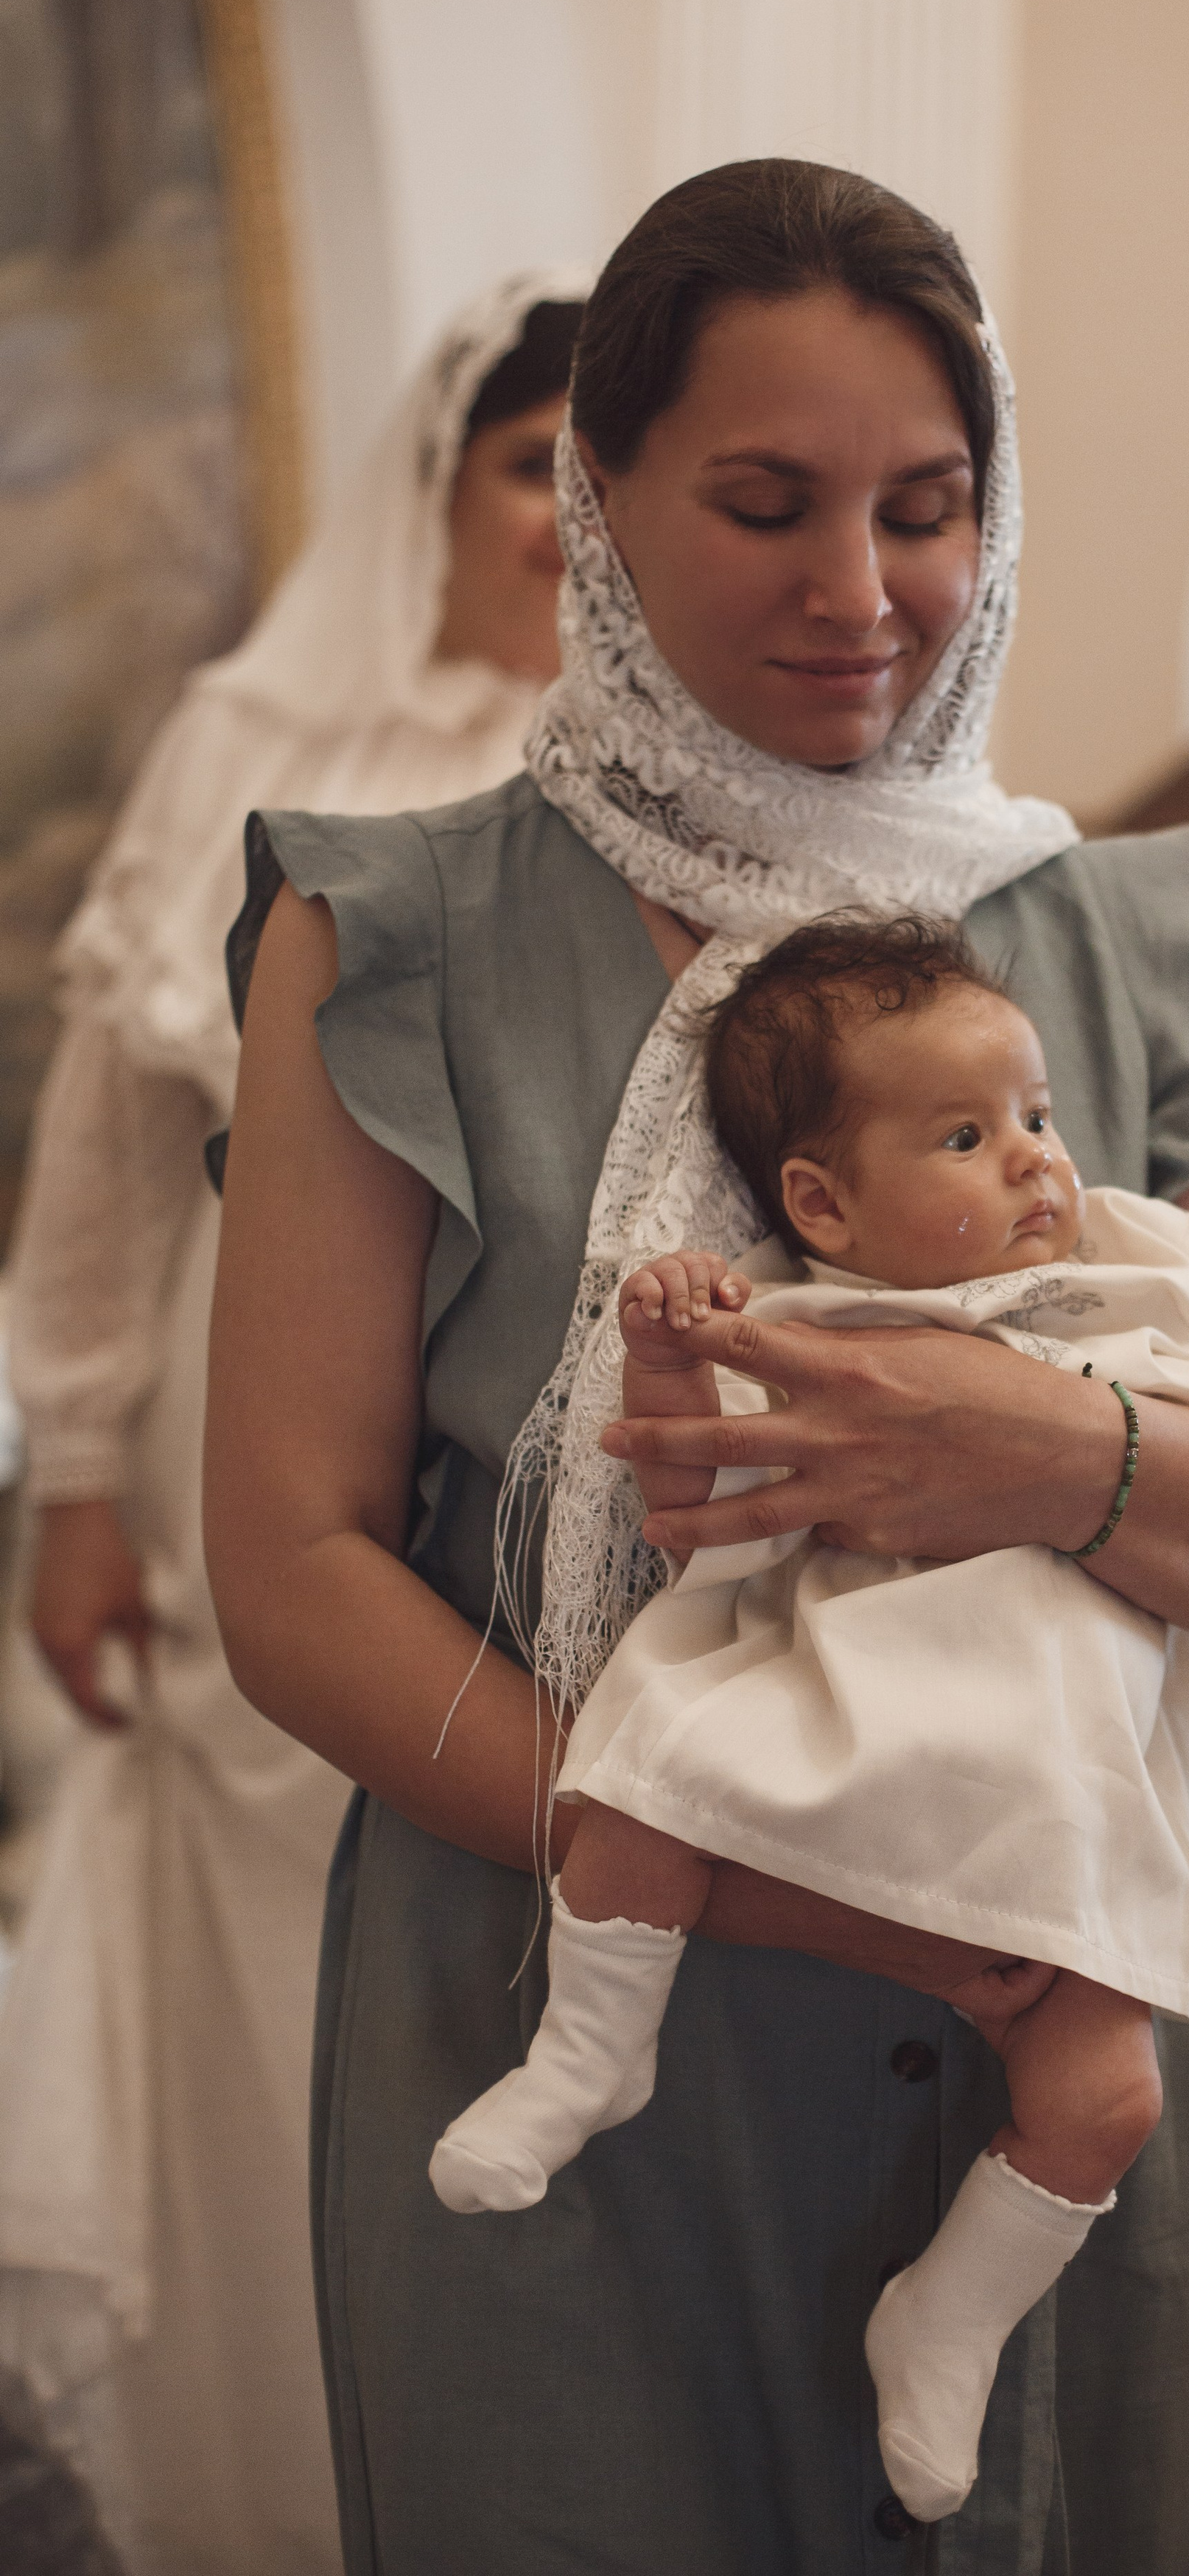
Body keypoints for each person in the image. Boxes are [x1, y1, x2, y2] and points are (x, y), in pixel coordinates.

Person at [205, 160, 1189, 2576]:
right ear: (596, 495)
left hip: (1052, 2034)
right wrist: (774, 1883)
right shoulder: (390, 932)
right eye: (766, 504)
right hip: (574, 1981)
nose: (862, 592)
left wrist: (1035, 1445)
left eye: (929, 509)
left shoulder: (1122, 931)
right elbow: (296, 1570)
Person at [428, 913, 1189, 2525]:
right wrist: (663, 1351)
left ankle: (954, 2315)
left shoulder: (1132, 1253)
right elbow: (680, 1494)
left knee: (1107, 2093)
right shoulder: (798, 1312)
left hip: (1058, 1760)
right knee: (630, 1803)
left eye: (1037, 1119)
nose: (1033, 1164)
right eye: (964, 1136)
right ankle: (591, 2050)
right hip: (843, 1694)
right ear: (820, 1200)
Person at [0, 270, 587, 2576]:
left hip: (544, 1468)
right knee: (274, 1954)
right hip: (253, 1451)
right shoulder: (259, 735)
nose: (568, 524)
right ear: (436, 491)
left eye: (598, 475)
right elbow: (111, 1154)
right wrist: (64, 1479)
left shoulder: (670, 765)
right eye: (532, 467)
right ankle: (269, 2467)